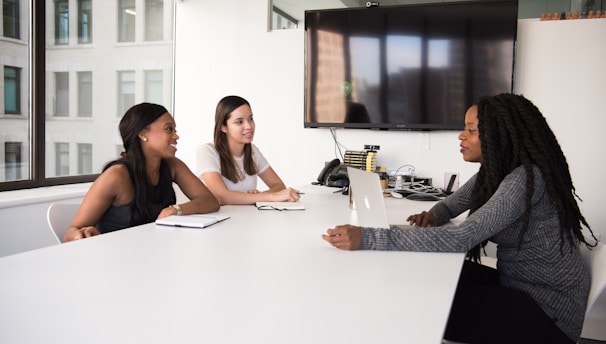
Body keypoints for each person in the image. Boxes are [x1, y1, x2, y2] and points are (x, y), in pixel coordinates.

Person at [322, 93, 597, 344]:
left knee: (420, 304)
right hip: (518, 284)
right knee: (427, 275)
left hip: (547, 314)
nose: (461, 136)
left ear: (500, 135)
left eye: (471, 130)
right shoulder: (495, 173)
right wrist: (433, 215)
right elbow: (452, 205)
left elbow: (462, 237)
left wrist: (368, 237)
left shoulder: (525, 178)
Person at [64, 103, 220, 242]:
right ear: (143, 134)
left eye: (175, 130)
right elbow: (70, 233)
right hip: (116, 259)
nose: (176, 136)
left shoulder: (173, 166)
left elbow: (210, 201)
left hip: (152, 254)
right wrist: (81, 235)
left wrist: (174, 210)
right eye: (169, 129)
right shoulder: (116, 176)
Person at [197, 95, 300, 205]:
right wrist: (266, 197)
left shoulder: (253, 151)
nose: (249, 126)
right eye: (239, 122)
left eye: (250, 119)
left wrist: (258, 196)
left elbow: (278, 185)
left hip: (248, 218)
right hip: (222, 220)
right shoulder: (207, 151)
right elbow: (222, 196)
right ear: (223, 127)